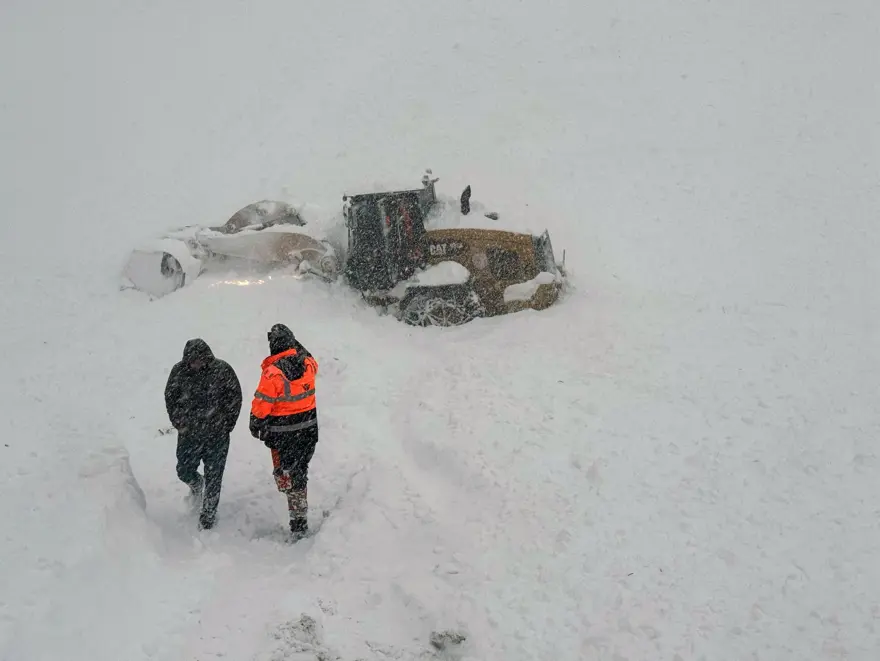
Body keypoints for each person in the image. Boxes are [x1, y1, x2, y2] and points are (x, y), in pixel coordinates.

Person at [249, 323, 319, 538]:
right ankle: (299, 515)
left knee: (285, 473)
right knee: (300, 471)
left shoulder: (272, 373)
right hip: (308, 431)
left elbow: (262, 405)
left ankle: (296, 512)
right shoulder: (308, 364)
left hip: (283, 434)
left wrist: (255, 422)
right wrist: (294, 344)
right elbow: (310, 356)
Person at [164, 338, 242, 530]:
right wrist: (179, 423)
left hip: (217, 436)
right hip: (189, 435)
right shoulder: (179, 372)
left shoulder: (222, 370)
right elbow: (170, 398)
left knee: (215, 477)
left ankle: (208, 516)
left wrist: (227, 424)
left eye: (199, 360)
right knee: (183, 470)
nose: (196, 364)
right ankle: (197, 484)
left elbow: (235, 398)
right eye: (192, 361)